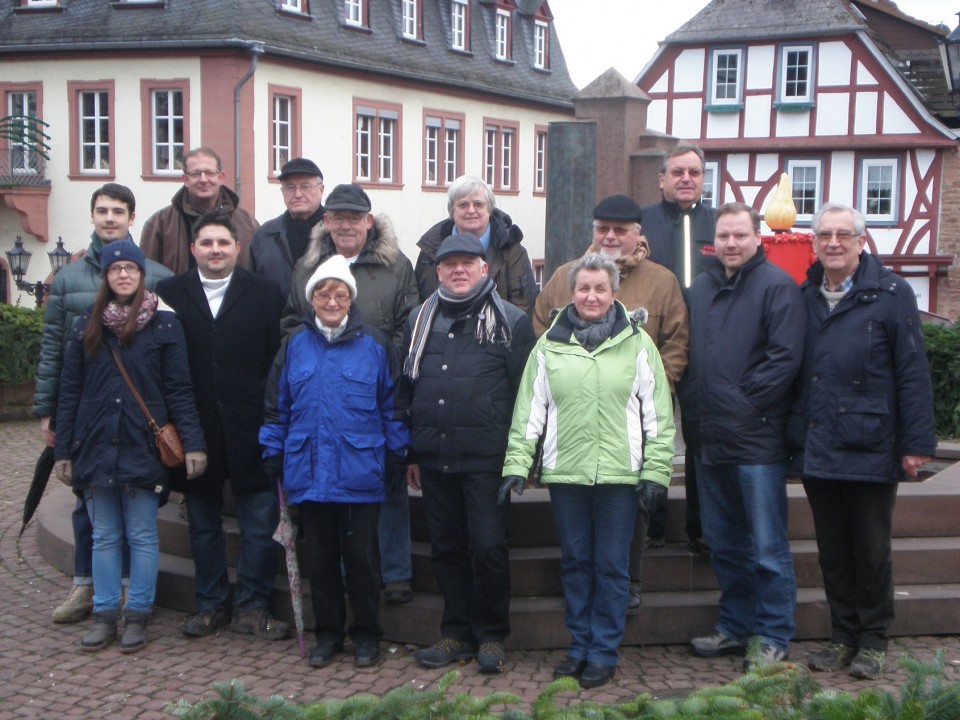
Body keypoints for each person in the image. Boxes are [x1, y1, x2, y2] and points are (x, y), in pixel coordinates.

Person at [503, 252, 674, 689]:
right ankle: (578, 646)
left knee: (613, 566)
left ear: (614, 293)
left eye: (600, 288)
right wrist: (516, 465)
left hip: (621, 477)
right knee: (577, 564)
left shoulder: (638, 344)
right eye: (584, 288)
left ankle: (603, 651)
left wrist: (657, 472)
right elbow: (530, 410)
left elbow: (658, 415)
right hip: (568, 476)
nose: (591, 296)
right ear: (570, 293)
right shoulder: (550, 345)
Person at [791, 203, 935, 680]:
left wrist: (916, 443)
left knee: (871, 549)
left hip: (872, 441)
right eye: (824, 235)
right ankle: (841, 636)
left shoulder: (892, 294)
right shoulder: (805, 294)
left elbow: (912, 372)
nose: (833, 243)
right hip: (821, 443)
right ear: (814, 244)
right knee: (833, 549)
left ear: (861, 242)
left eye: (843, 235)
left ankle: (873, 640)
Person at [531, 194, 688, 612]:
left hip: (632, 415)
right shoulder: (566, 275)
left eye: (621, 230)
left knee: (630, 506)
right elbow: (540, 329)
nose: (611, 237)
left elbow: (676, 341)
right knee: (578, 514)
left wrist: (656, 389)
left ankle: (628, 582)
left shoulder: (662, 281)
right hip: (576, 416)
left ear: (638, 234)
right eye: (603, 228)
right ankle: (584, 591)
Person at [52, 240, 206, 654]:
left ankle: (137, 613)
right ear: (105, 275)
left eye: (130, 269)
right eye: (115, 268)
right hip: (97, 441)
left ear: (141, 274)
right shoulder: (88, 323)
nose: (123, 275)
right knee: (103, 534)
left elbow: (179, 389)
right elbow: (70, 390)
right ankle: (104, 614)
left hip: (142, 443)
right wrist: (63, 449)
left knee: (140, 533)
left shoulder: (165, 325)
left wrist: (192, 444)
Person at [32, 183, 173, 625]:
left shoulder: (159, 276)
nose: (109, 218)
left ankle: (135, 596)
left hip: (135, 419)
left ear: (132, 218)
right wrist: (49, 409)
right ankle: (86, 584)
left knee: (136, 517)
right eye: (102, 211)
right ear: (93, 216)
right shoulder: (70, 277)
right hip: (93, 416)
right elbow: (55, 349)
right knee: (88, 505)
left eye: (118, 211)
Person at [261, 254, 410, 668]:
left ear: (351, 298)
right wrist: (272, 450)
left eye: (339, 293)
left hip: (360, 471)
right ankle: (328, 633)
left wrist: (397, 452)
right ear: (311, 300)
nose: (331, 300)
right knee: (322, 562)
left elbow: (393, 406)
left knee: (363, 561)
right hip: (309, 471)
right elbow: (278, 408)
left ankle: (366, 635)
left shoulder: (376, 344)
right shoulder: (294, 346)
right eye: (323, 293)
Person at [401, 233, 535, 674]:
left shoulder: (512, 322)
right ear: (437, 272)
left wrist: (522, 458)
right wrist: (410, 453)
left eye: (467, 263)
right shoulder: (419, 320)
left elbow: (526, 393)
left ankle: (492, 635)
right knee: (447, 548)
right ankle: (455, 631)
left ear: (484, 269)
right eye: (449, 264)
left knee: (488, 546)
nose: (459, 270)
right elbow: (407, 389)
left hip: (487, 458)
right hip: (435, 456)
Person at [284, 183, 420, 605]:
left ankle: (395, 573)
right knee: (335, 494)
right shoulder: (309, 266)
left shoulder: (396, 266)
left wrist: (379, 361)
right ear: (325, 221)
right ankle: (346, 574)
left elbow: (409, 322)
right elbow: (292, 320)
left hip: (379, 386)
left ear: (369, 221)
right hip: (323, 392)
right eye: (337, 217)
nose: (345, 225)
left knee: (388, 484)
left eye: (353, 218)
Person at [682, 203, 805, 669]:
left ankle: (773, 633)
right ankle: (735, 625)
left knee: (767, 546)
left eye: (740, 235)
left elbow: (784, 360)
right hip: (708, 437)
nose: (732, 244)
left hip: (756, 440)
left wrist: (744, 405)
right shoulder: (702, 288)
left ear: (758, 238)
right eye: (724, 236)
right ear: (714, 241)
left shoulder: (777, 288)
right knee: (724, 540)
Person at [156, 213, 288, 642]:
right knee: (202, 524)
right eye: (207, 242)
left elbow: (276, 364)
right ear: (193, 248)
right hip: (196, 429)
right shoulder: (170, 293)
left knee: (258, 524)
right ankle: (210, 604)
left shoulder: (267, 294)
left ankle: (253, 605)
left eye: (224, 243)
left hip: (252, 428)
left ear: (237, 248)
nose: (215, 250)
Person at [642, 142, 716, 555]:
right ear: (662, 179)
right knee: (653, 439)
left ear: (703, 179)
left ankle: (700, 530)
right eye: (677, 172)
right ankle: (651, 526)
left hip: (706, 350)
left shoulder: (718, 224)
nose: (686, 179)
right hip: (656, 347)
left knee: (700, 442)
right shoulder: (642, 223)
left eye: (694, 172)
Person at [415, 175, 539, 313]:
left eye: (478, 204)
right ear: (452, 211)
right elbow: (419, 305)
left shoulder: (512, 251)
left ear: (489, 210)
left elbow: (523, 307)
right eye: (463, 205)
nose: (471, 210)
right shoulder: (431, 249)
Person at [140, 146, 259, 273]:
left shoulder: (248, 225)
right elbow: (148, 276)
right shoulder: (160, 224)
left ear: (221, 177)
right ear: (185, 179)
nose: (203, 179)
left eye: (209, 173)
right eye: (196, 173)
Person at [249, 157, 325, 299]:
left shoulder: (337, 232)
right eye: (290, 187)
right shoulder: (265, 235)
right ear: (282, 191)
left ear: (321, 190)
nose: (297, 194)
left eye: (305, 186)